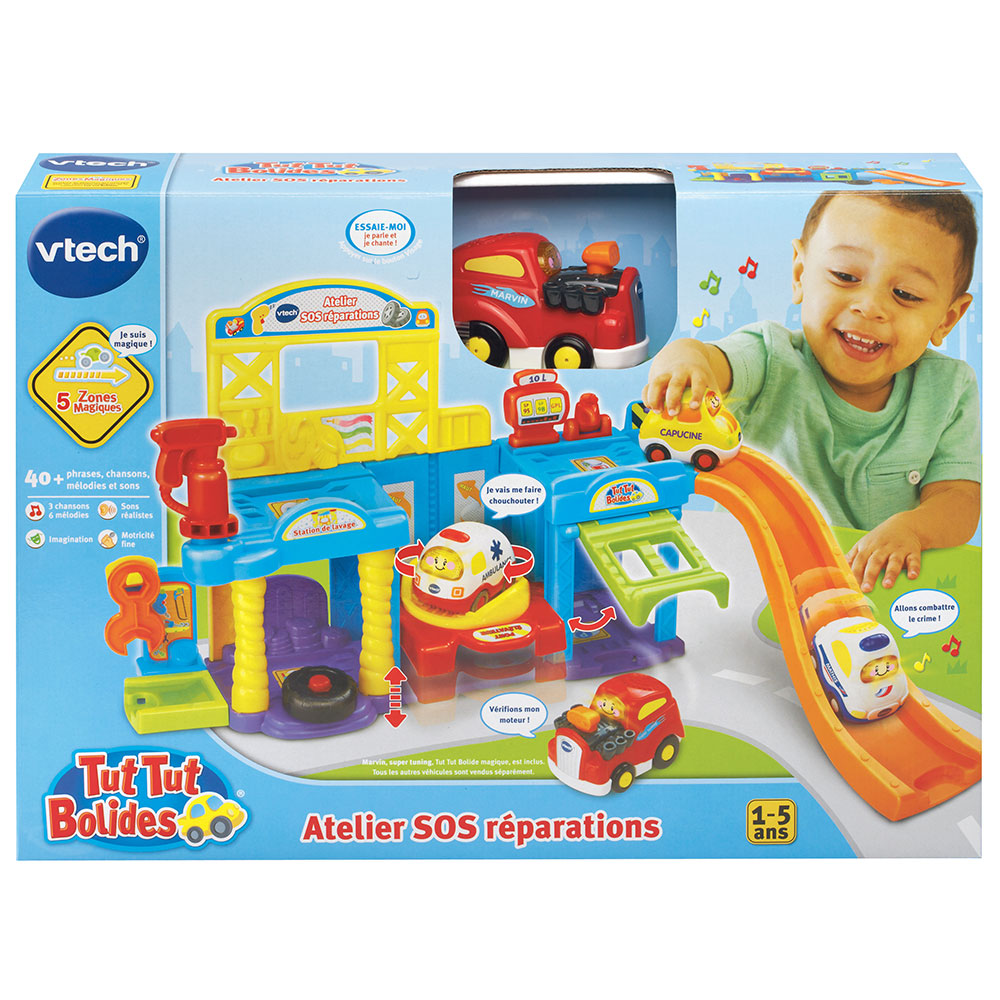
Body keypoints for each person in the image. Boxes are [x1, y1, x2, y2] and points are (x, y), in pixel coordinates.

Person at [644, 190, 980, 593]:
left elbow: (960, 499)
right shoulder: (770, 356)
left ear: (947, 319)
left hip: (874, 591)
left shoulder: (949, 389)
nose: (869, 307)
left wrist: (912, 529)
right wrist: (684, 365)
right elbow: (703, 357)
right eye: (846, 276)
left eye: (905, 294)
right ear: (800, 274)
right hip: (758, 582)